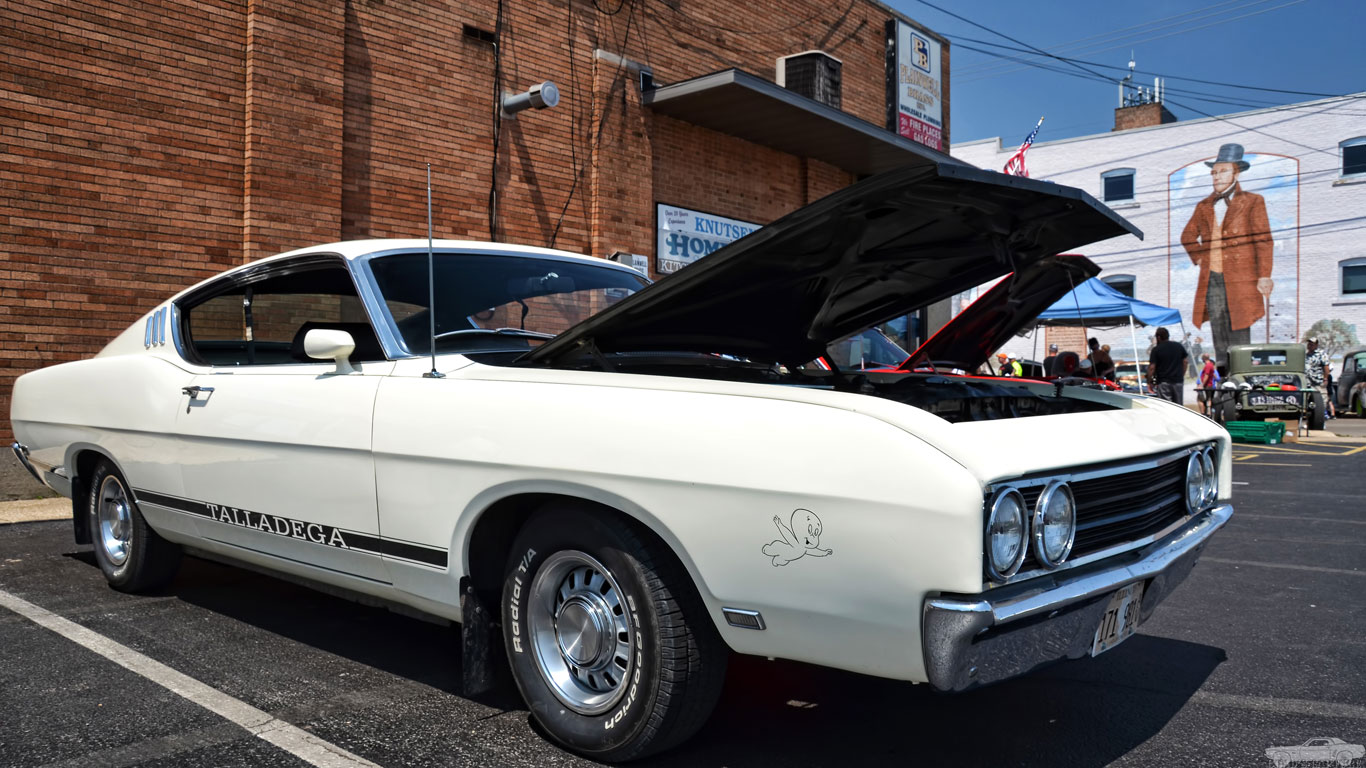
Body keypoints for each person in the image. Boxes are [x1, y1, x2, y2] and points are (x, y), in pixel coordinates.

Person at [1180, 143, 1274, 370]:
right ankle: (1223, 371)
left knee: (1241, 323)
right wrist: (1201, 257)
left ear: (1236, 172)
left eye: (1222, 171)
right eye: (1214, 171)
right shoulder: (1203, 205)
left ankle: (1243, 371)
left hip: (1242, 278)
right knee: (1218, 322)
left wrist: (1264, 275)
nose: (1216, 176)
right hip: (1212, 278)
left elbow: (1263, 239)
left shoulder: (1253, 201)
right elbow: (1188, 236)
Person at [1147, 327, 1189, 405]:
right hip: (1178, 381)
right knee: (1179, 406)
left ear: (1159, 337)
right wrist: (1181, 374)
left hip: (1164, 382)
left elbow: (1152, 367)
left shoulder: (1156, 349)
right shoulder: (1178, 346)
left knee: (1166, 406)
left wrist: (1149, 381)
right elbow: (1185, 362)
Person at [1305, 336, 1333, 419]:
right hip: (1307, 381)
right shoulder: (1306, 355)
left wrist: (1325, 378)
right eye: (1309, 344)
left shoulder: (1321, 354)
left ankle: (1322, 415)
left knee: (1322, 399)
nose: (1310, 345)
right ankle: (1311, 416)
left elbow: (1326, 367)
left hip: (1318, 380)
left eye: (1312, 344)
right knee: (1308, 399)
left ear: (1316, 345)